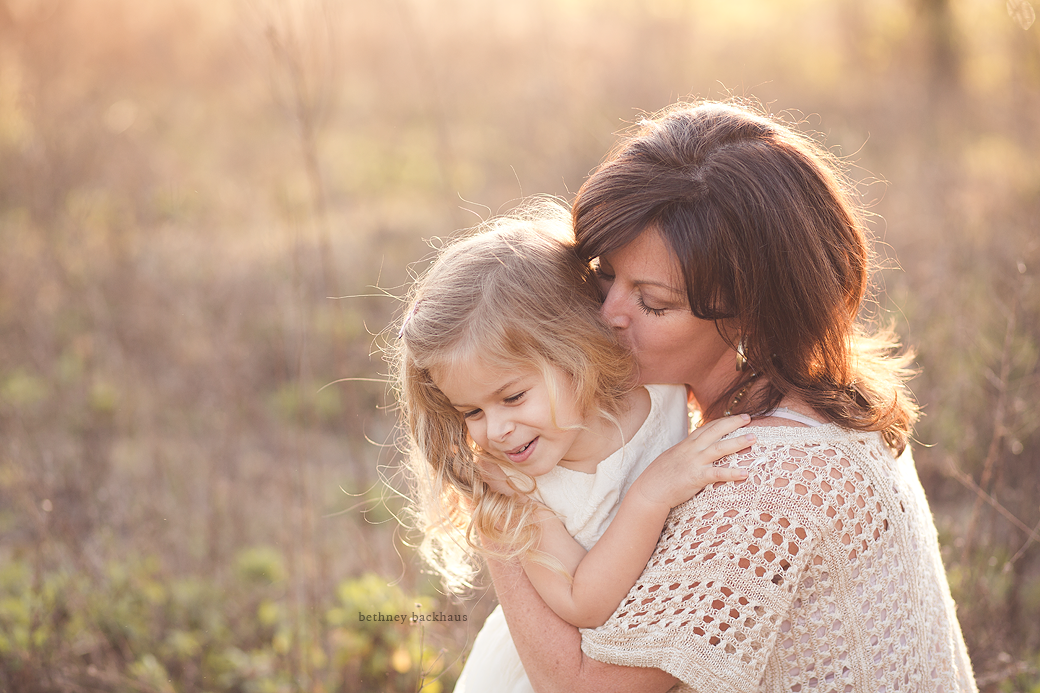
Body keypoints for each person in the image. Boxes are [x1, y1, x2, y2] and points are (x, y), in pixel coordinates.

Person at [484, 101, 979, 692]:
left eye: (653, 302)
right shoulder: (826, 399)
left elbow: (582, 688)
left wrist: (497, 509)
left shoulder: (763, 479)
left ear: (751, 312)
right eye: (605, 274)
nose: (609, 313)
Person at [391, 202, 752, 692]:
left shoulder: (654, 380)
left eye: (512, 396)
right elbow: (583, 601)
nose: (495, 430)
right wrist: (652, 494)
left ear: (578, 350)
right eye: (471, 412)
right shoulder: (516, 487)